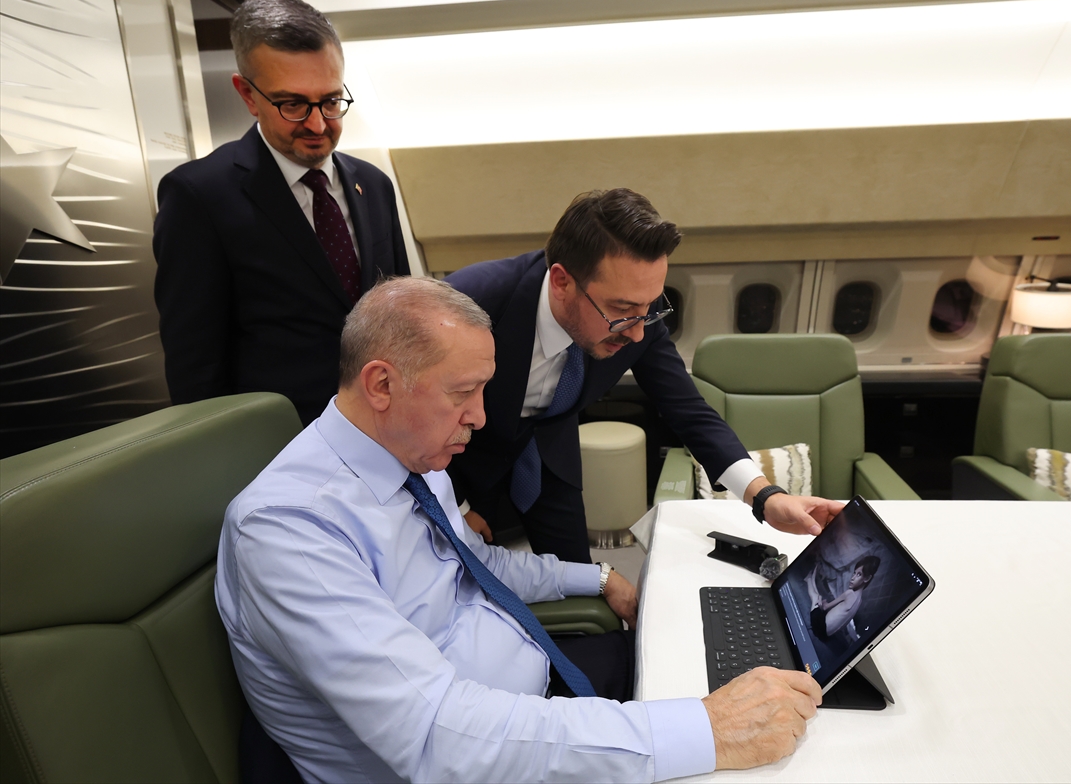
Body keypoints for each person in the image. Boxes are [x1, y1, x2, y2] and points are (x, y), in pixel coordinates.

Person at [215, 276, 823, 783]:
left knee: (698, 654)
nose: (481, 416)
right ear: (381, 384)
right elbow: (436, 736)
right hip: (468, 754)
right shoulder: (291, 530)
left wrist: (599, 576)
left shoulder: (411, 461)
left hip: (528, 694)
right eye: (463, 392)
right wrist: (705, 731)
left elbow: (477, 564)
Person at [445, 188, 843, 562]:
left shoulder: (640, 320)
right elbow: (417, 415)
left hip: (549, 456)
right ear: (563, 282)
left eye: (650, 306)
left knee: (577, 572)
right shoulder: (467, 302)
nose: (637, 333)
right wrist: (454, 505)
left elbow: (690, 411)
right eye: (622, 310)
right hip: (459, 457)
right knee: (465, 572)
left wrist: (765, 497)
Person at [153, 0, 409, 426]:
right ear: (248, 95)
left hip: (385, 429)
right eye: (292, 104)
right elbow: (195, 365)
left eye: (331, 101)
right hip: (279, 444)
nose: (317, 124)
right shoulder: (199, 196)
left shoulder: (374, 184)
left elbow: (400, 312)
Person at [806, 556, 879, 642]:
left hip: (819, 627)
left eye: (859, 574)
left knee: (816, 598)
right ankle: (813, 576)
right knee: (819, 598)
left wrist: (824, 604)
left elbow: (825, 607)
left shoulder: (850, 594)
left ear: (867, 578)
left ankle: (808, 579)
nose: (852, 578)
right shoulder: (859, 601)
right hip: (826, 635)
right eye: (854, 573)